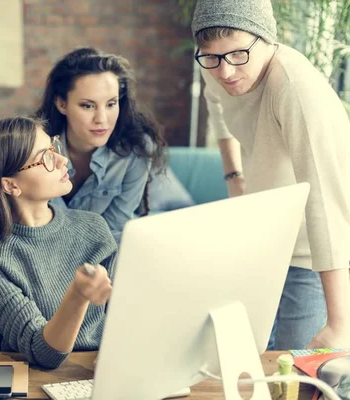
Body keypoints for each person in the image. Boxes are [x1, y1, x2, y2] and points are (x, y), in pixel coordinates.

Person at [191, 0, 350, 349]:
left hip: (316, 254)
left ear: (268, 39)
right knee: (245, 360)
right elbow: (215, 103)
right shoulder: (214, 63)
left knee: (299, 370)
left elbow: (327, 203)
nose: (226, 72)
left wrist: (339, 322)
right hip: (264, 238)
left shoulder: (296, 90)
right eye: (212, 58)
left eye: (237, 56)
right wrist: (234, 176)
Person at [0, 116, 117, 369]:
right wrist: (78, 295)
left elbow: (127, 317)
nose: (62, 160)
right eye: (45, 157)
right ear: (10, 185)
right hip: (31, 379)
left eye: (54, 148)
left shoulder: (93, 228)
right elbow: (44, 354)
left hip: (100, 373)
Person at [35, 47, 167, 243]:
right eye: (87, 106)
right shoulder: (32, 148)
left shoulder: (136, 150)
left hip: (103, 258)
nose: (102, 119)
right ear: (62, 104)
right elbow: (30, 228)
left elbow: (114, 230)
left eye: (111, 104)